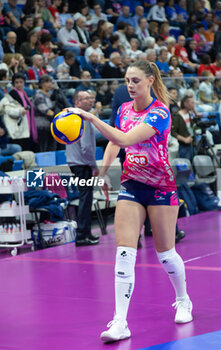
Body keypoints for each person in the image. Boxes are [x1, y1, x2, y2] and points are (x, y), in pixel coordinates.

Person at [66, 60, 193, 343]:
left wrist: (92, 118)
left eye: (136, 80)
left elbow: (123, 138)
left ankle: (183, 299)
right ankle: (120, 321)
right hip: (132, 185)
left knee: (165, 253)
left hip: (160, 187)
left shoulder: (160, 112)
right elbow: (114, 143)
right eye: (126, 80)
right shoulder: (124, 109)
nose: (130, 85)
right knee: (124, 252)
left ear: (150, 81)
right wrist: (103, 169)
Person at [66, 90, 99, 246]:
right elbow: (86, 147)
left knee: (86, 198)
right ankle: (82, 235)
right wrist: (94, 165)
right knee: (86, 199)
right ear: (77, 102)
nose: (90, 101)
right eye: (86, 98)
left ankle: (86, 233)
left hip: (75, 162)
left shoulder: (72, 118)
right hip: (82, 164)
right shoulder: (83, 119)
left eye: (91, 97)